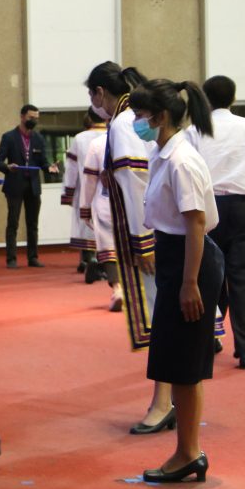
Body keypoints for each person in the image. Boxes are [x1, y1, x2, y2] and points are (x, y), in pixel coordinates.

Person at [129, 79, 223, 483]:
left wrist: (189, 283)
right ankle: (188, 450)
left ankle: (188, 453)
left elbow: (196, 223)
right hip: (175, 255)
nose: (136, 121)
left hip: (190, 260)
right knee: (178, 360)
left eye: (139, 114)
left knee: (184, 363)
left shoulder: (182, 160)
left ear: (161, 116)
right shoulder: (162, 153)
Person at [87, 61, 173, 433]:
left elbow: (136, 181)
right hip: (164, 227)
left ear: (100, 92)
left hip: (153, 233)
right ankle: (169, 400)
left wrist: (143, 240)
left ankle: (164, 402)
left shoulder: (124, 122)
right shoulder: (134, 120)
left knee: (162, 322)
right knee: (168, 320)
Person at [190, 75, 245, 369]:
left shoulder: (195, 130)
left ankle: (208, 339)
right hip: (244, 207)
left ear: (205, 99)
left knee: (208, 278)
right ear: (234, 98)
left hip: (207, 210)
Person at [0, 104, 60, 268]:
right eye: (31, 118)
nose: (34, 121)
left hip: (33, 186)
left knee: (33, 224)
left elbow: (43, 162)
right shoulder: (9, 137)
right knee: (13, 223)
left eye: (36, 118)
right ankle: (11, 259)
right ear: (22, 116)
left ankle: (33, 257)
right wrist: (7, 167)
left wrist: (50, 168)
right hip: (14, 185)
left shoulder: (38, 138)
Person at [80, 131, 124, 312]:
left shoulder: (97, 144)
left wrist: (85, 207)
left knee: (108, 247)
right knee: (134, 247)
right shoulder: (139, 140)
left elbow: (90, 179)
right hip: (132, 202)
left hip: (105, 201)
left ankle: (118, 289)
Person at [61, 109, 107, 281]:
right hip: (109, 191)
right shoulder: (113, 134)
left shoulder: (80, 138)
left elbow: (71, 168)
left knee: (87, 226)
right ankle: (105, 264)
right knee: (107, 228)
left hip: (86, 189)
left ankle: (88, 261)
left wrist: (68, 192)